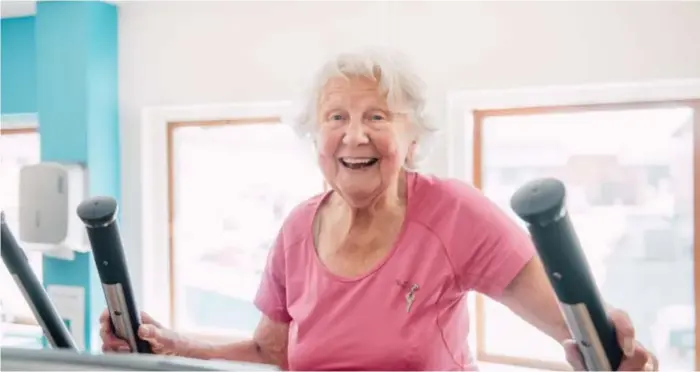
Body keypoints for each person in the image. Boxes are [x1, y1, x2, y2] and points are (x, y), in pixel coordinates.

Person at [99, 49, 658, 371]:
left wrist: (620, 350)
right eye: (336, 117)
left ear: (412, 139)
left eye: (378, 117)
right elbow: (274, 350)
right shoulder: (297, 229)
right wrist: (175, 343)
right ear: (316, 135)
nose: (354, 136)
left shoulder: (453, 212)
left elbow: (574, 325)